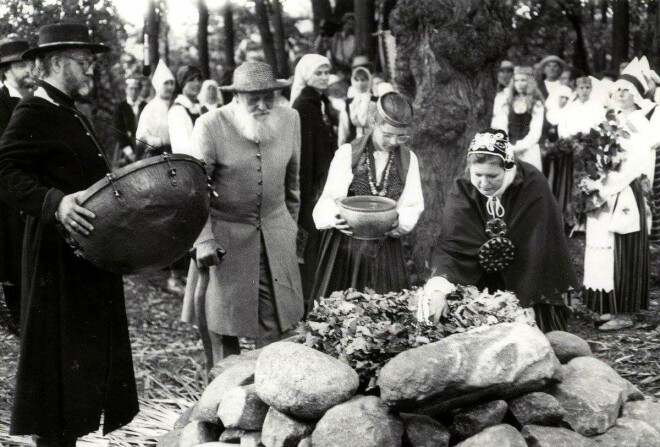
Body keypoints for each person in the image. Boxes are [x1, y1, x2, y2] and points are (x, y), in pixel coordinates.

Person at [0, 23, 138, 445]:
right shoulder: (35, 111)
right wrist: (54, 202)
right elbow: (5, 172)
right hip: (55, 263)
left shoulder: (67, 111)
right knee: (57, 384)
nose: (91, 72)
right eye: (84, 63)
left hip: (85, 259)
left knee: (78, 377)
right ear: (57, 63)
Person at [181, 61, 303, 364]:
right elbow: (194, 190)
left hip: (275, 234)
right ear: (236, 97)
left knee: (278, 323)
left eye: (268, 97)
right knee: (222, 328)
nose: (262, 105)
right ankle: (223, 400)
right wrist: (204, 239)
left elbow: (294, 183)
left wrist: (290, 229)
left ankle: (272, 397)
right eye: (253, 98)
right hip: (224, 240)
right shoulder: (210, 125)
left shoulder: (290, 119)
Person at [424, 129, 577, 332]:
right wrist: (438, 288)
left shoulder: (532, 185)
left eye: (492, 176)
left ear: (507, 168)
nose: (484, 183)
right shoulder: (464, 189)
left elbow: (539, 246)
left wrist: (527, 301)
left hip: (529, 278)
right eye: (478, 174)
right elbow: (453, 245)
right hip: (481, 280)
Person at [310, 92, 424, 307]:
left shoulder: (409, 160)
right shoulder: (348, 154)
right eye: (388, 134)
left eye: (401, 137)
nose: (393, 142)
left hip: (385, 248)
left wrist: (400, 222)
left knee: (386, 313)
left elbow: (412, 204)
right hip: (346, 248)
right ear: (374, 123)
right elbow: (328, 200)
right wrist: (336, 218)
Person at [583, 69, 654, 331]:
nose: (620, 93)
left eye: (626, 89)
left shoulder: (640, 122)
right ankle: (609, 305)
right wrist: (594, 180)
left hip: (624, 190)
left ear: (636, 95)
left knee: (623, 248)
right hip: (606, 188)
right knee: (604, 247)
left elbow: (636, 164)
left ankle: (625, 311)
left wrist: (606, 187)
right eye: (618, 89)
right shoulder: (612, 119)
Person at [290, 54, 337, 302]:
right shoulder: (304, 105)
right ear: (307, 75)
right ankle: (307, 301)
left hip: (324, 180)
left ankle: (318, 297)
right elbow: (304, 154)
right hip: (311, 185)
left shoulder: (320, 102)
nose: (324, 77)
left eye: (326, 72)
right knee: (309, 243)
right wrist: (307, 194)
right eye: (318, 72)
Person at [0, 38, 32, 334]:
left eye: (28, 63)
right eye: (21, 65)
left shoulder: (35, 101)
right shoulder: (1, 103)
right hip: (8, 192)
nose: (27, 70)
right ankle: (19, 319)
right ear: (6, 71)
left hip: (36, 188)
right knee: (11, 253)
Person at [491, 66, 545, 171]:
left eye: (523, 80)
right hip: (508, 148)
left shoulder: (536, 104)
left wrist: (520, 147)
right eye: (516, 80)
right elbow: (502, 124)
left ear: (529, 82)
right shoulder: (508, 102)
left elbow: (535, 132)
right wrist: (507, 145)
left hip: (528, 149)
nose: (519, 83)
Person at [135, 59, 175, 159]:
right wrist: (162, 141)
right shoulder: (150, 108)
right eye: (166, 83)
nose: (169, 87)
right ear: (158, 84)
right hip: (157, 156)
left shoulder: (177, 104)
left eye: (171, 83)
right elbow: (141, 138)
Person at [337, 66, 377, 146]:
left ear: (369, 80)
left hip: (373, 141)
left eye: (363, 80)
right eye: (356, 80)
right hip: (354, 142)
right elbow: (343, 128)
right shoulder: (349, 103)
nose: (360, 83)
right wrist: (341, 145)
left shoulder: (375, 101)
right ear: (352, 81)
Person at [168, 65, 203, 156]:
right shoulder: (177, 111)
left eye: (199, 79)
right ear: (182, 84)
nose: (197, 83)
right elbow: (182, 149)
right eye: (191, 80)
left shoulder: (198, 107)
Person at [112, 76, 146, 167]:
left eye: (136, 89)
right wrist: (129, 153)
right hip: (125, 147)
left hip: (143, 147)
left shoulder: (145, 105)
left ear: (139, 90)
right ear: (126, 90)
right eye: (131, 88)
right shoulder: (121, 107)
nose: (133, 92)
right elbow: (119, 130)